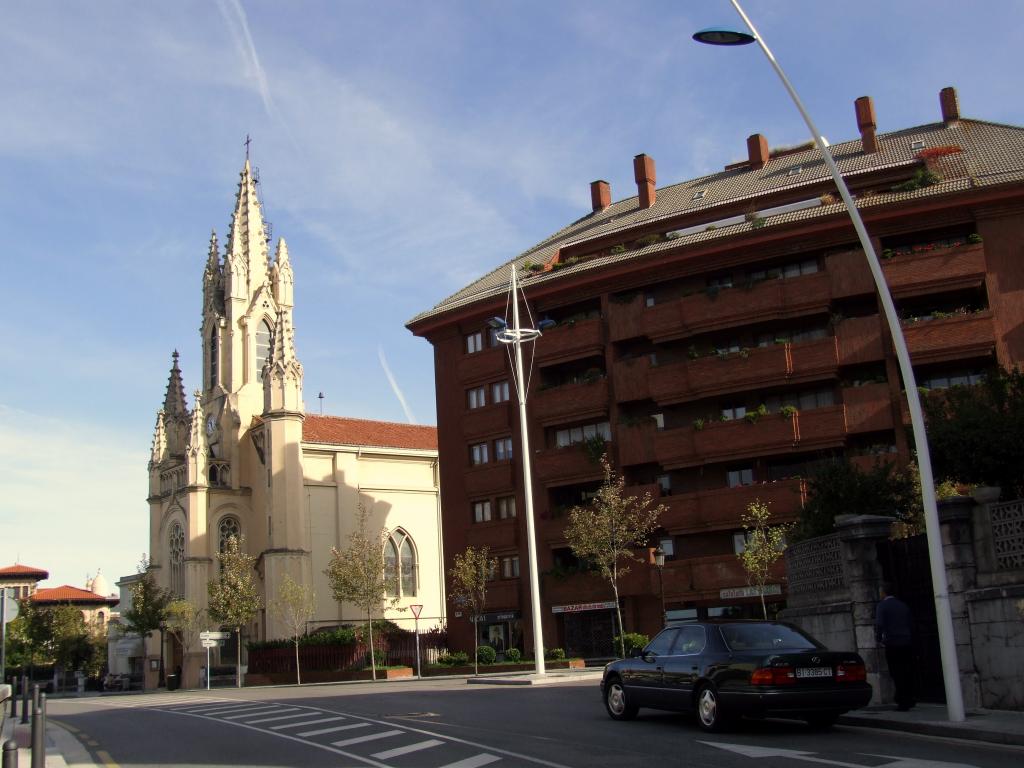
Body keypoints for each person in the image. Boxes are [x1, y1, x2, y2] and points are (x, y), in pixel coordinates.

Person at [875, 581, 915, 711]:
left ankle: (902, 701)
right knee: (907, 670)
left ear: (883, 592)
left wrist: (878, 638)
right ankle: (910, 698)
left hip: (893, 643)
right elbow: (910, 623)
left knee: (896, 672)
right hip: (906, 642)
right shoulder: (903, 605)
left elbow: (879, 624)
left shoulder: (882, 606)